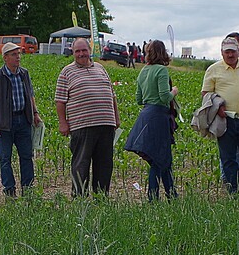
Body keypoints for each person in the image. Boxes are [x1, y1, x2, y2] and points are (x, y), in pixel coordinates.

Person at [56, 38, 120, 196]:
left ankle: (101, 197)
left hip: (106, 124)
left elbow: (112, 95)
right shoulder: (67, 72)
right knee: (81, 164)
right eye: (77, 51)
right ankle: (79, 198)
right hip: (82, 125)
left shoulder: (100, 68)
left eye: (84, 50)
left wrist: (116, 118)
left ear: (89, 51)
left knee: (104, 164)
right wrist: (63, 123)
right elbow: (60, 101)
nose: (81, 54)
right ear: (73, 53)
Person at [201, 36, 239, 193]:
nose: (230, 55)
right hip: (225, 120)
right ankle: (235, 190)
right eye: (227, 52)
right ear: (221, 52)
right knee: (228, 158)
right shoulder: (213, 69)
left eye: (233, 51)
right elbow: (206, 94)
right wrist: (216, 107)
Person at [126, 40, 179, 201]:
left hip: (145, 116)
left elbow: (139, 99)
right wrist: (174, 92)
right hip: (159, 118)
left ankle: (171, 196)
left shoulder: (143, 71)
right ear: (163, 52)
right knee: (159, 160)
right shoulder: (161, 70)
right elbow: (164, 97)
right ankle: (154, 198)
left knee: (162, 160)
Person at [0, 42, 41, 198]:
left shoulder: (24, 73)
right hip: (4, 124)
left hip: (23, 120)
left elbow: (30, 95)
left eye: (19, 54)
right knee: (5, 159)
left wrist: (35, 113)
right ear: (5, 58)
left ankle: (28, 190)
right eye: (14, 54)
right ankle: (9, 190)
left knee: (26, 156)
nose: (18, 57)